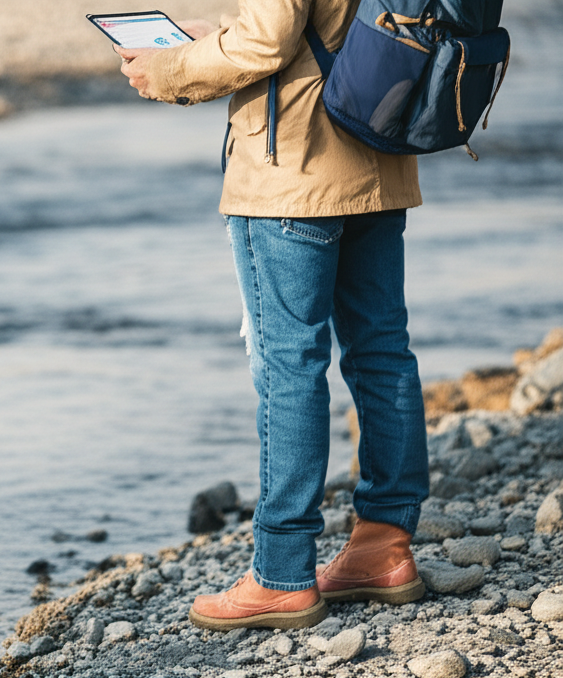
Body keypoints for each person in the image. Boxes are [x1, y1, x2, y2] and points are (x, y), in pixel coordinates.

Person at [115, 0, 431, 630]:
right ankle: (383, 546)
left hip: (295, 170)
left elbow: (266, 43)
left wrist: (169, 69)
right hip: (379, 152)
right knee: (380, 351)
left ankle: (283, 574)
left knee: (290, 367)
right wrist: (218, 36)